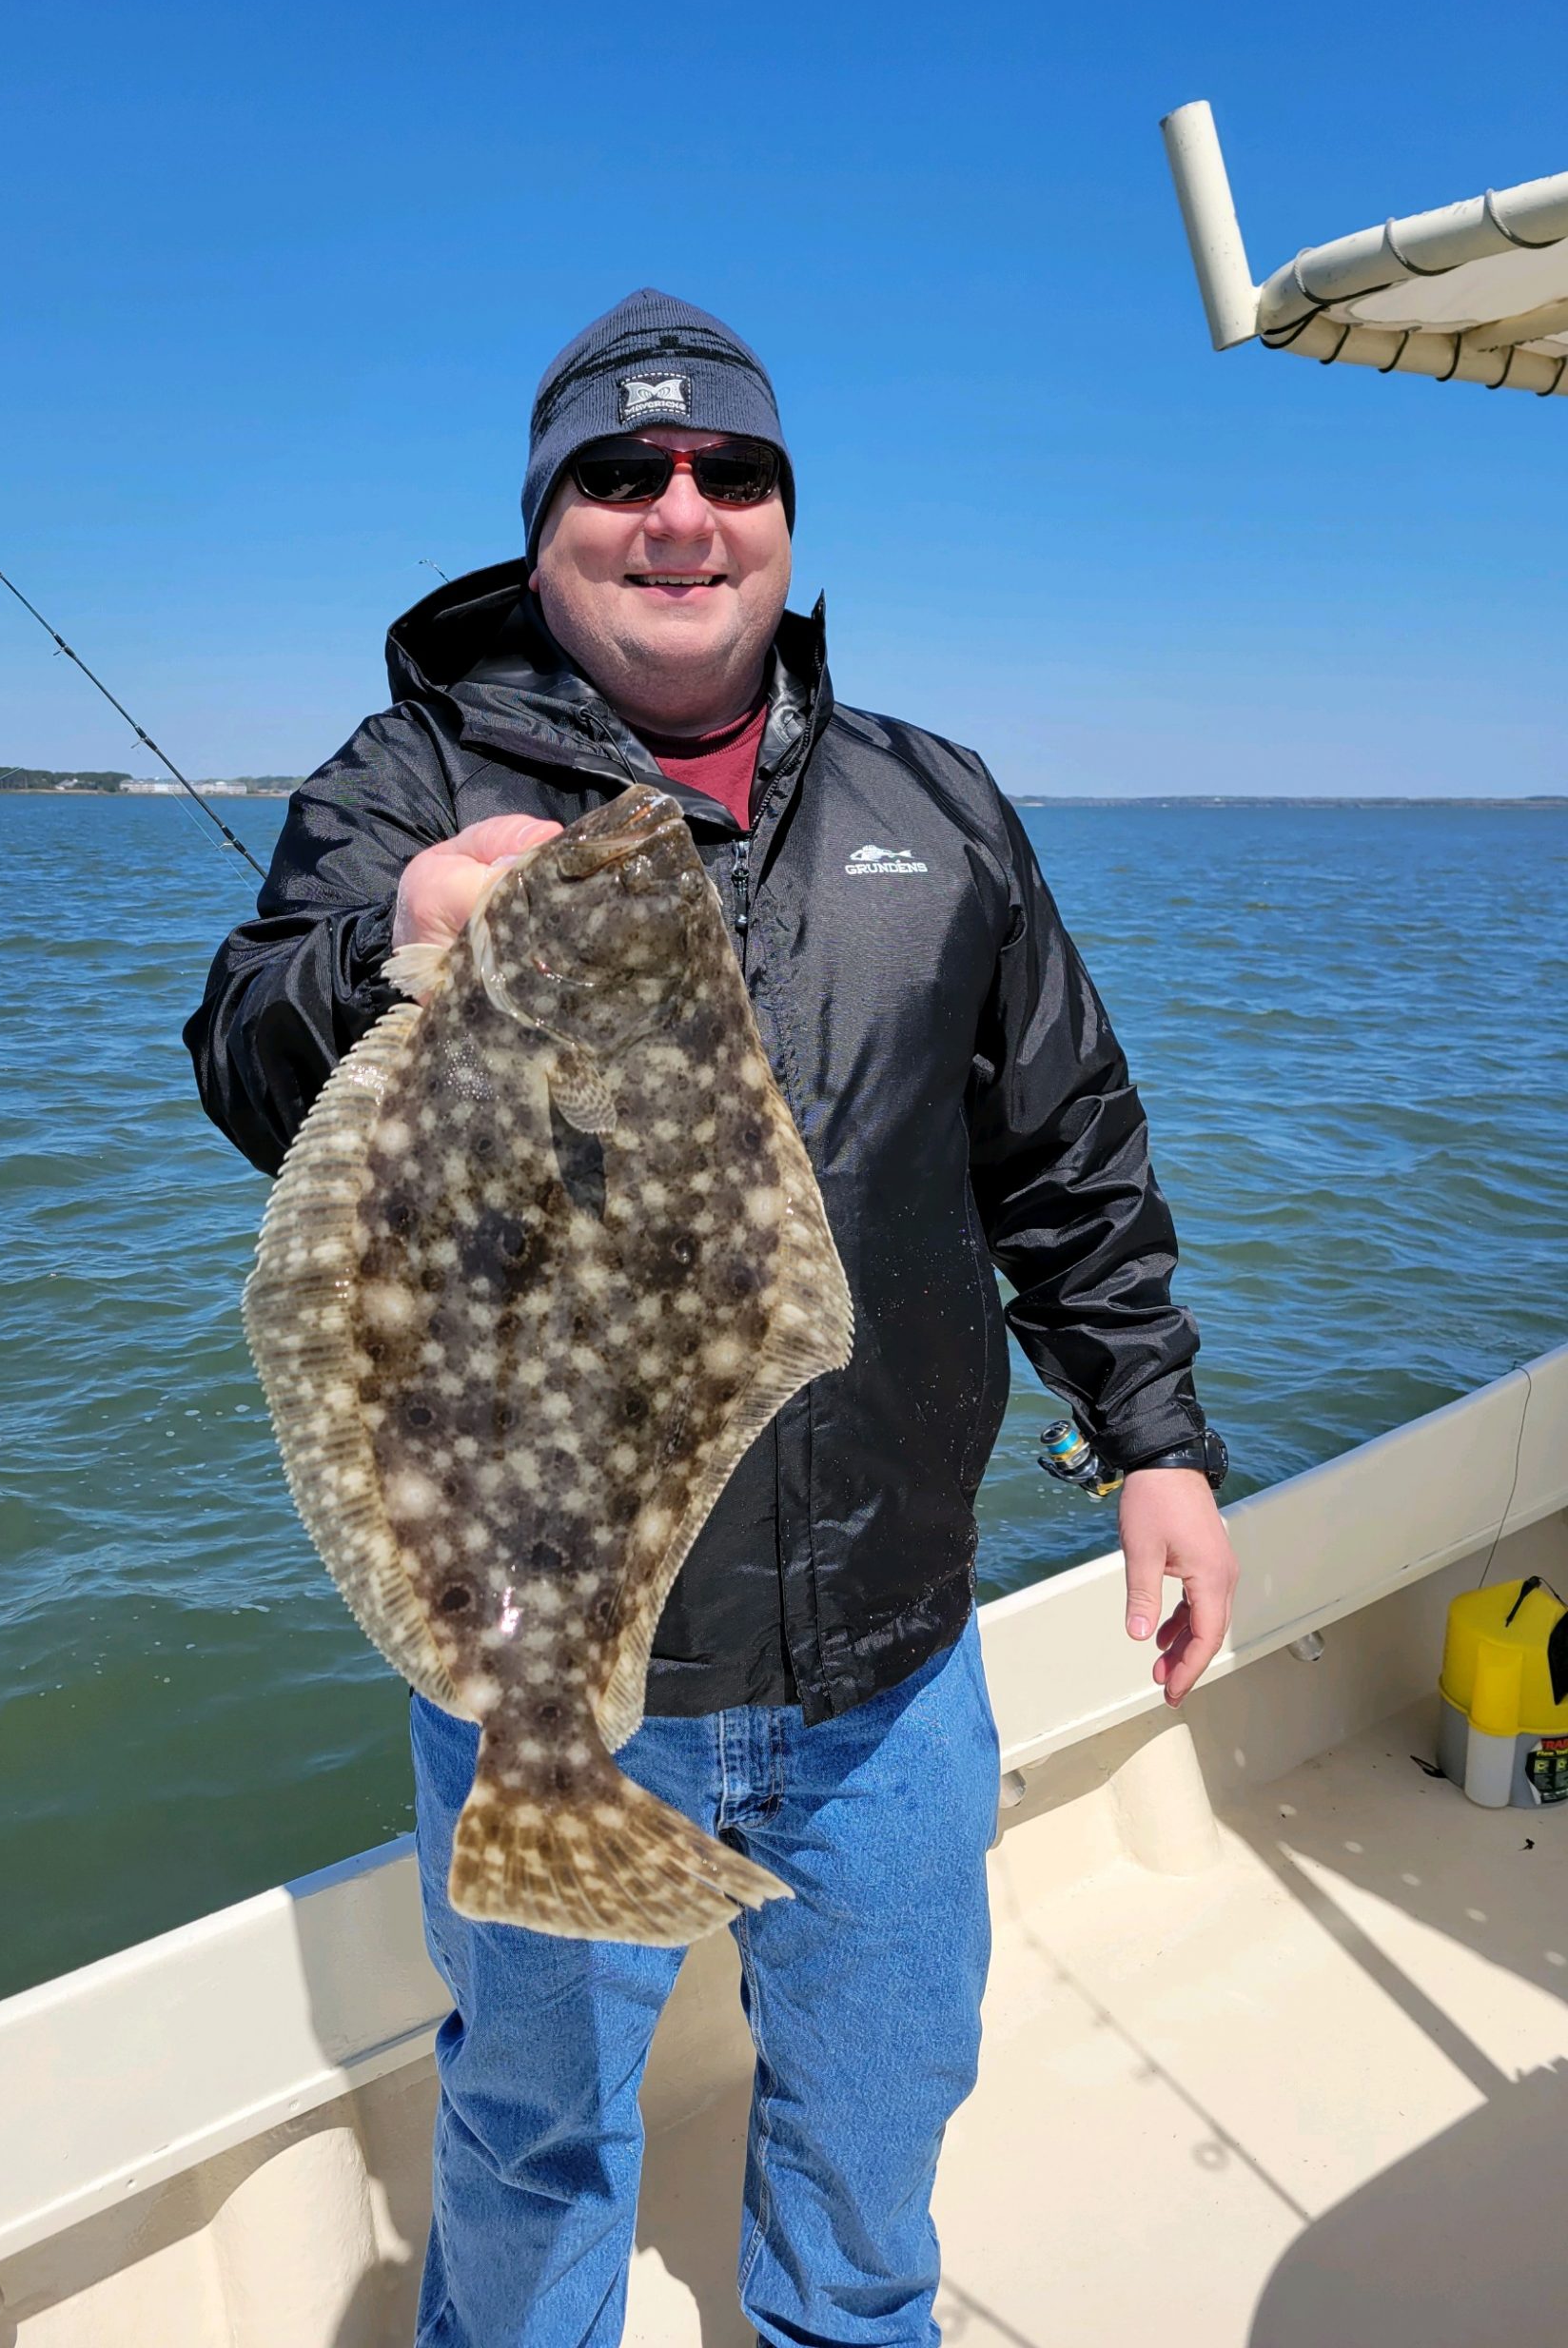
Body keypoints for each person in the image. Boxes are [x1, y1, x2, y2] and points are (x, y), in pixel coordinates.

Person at [186, 287, 1239, 2348]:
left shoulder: (939, 808)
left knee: (877, 2130)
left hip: (892, 1662)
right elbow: (241, 1052)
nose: (681, 510)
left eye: (728, 470)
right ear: (544, 520)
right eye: (622, 472)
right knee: (527, 2146)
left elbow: (1068, 1151)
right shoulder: (405, 782)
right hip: (551, 1673)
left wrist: (1162, 1443)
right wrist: (387, 941)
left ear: (781, 511)